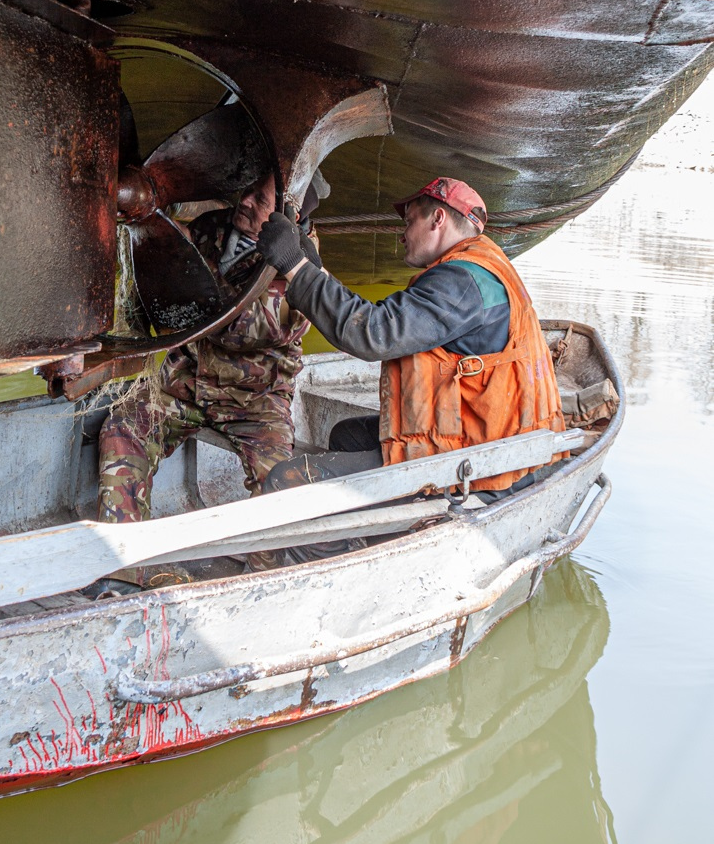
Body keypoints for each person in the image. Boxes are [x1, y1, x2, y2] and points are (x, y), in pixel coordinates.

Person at [255, 176, 566, 559]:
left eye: (409, 222)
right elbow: (387, 318)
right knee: (348, 435)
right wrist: (312, 271)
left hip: (482, 467)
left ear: (437, 219)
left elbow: (372, 333)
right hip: (492, 440)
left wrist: (295, 267)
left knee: (287, 483)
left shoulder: (461, 282)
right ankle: (370, 541)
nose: (403, 235)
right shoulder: (478, 267)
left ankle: (323, 580)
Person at [96, 172, 323, 543]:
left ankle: (263, 580)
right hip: (183, 387)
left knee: (281, 485)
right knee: (123, 428)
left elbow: (253, 331)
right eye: (247, 189)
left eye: (260, 199)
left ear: (289, 216)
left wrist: (182, 294)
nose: (245, 200)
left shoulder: (304, 269)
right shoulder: (211, 227)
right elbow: (165, 265)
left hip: (255, 401)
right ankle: (121, 565)